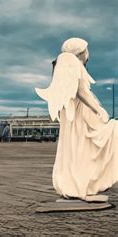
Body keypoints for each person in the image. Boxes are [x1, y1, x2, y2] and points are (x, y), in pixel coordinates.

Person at [35, 38, 117, 202]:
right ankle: (85, 185)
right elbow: (81, 91)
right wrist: (98, 109)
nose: (88, 54)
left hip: (77, 116)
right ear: (81, 51)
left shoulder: (63, 64)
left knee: (80, 149)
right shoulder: (70, 61)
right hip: (81, 117)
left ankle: (82, 185)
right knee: (97, 140)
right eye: (86, 50)